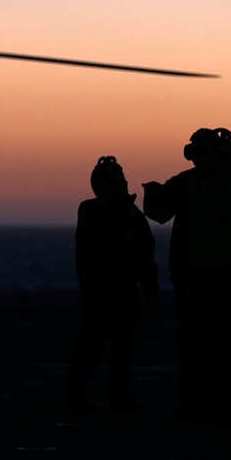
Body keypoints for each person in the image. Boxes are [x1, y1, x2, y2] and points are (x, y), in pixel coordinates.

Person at [143, 128, 231, 421]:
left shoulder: (190, 184)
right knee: (228, 345)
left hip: (195, 281)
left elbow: (159, 212)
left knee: (193, 345)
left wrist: (151, 191)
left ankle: (193, 404)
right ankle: (225, 403)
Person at [67, 156, 157, 416]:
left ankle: (118, 399)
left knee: (123, 350)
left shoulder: (132, 215)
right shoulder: (91, 211)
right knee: (91, 347)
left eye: (122, 179)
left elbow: (145, 255)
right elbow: (87, 254)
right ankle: (77, 398)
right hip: (101, 291)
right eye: (116, 180)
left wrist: (150, 289)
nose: (123, 184)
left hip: (125, 291)